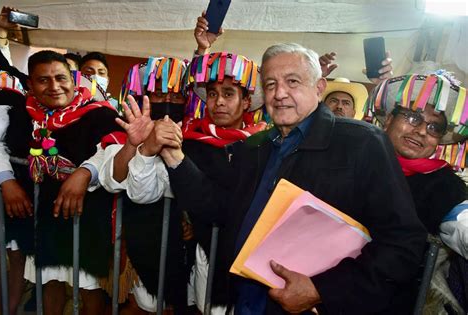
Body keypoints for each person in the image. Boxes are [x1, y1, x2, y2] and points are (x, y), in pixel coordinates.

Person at [155, 43, 427, 314]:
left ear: (319, 88)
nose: (279, 93)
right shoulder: (254, 148)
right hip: (245, 301)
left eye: (292, 81)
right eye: (271, 84)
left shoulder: (362, 143)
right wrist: (174, 156)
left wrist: (321, 290)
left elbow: (402, 242)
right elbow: (219, 208)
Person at [0, 50, 122, 314]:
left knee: (90, 288)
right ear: (30, 84)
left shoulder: (98, 112)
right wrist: (6, 180)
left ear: (74, 79)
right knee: (48, 282)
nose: (54, 87)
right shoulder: (20, 112)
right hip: (42, 218)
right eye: (43, 80)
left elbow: (113, 148)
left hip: (86, 218)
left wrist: (85, 172)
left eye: (61, 78)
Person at [95, 57, 190, 314]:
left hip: (186, 249)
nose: (166, 102)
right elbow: (112, 180)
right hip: (140, 242)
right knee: (143, 304)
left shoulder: (198, 135)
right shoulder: (124, 131)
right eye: (157, 94)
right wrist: (136, 144)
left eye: (175, 95)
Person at [366, 73, 468, 312]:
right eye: (413, 118)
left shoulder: (442, 184)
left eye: (434, 128)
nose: (422, 131)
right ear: (389, 119)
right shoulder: (355, 159)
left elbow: (461, 223)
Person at [0, 70, 29, 315]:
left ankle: (10, 309)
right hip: (6, 182)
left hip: (16, 185)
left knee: (17, 253)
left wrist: (7, 181)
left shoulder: (9, 88)